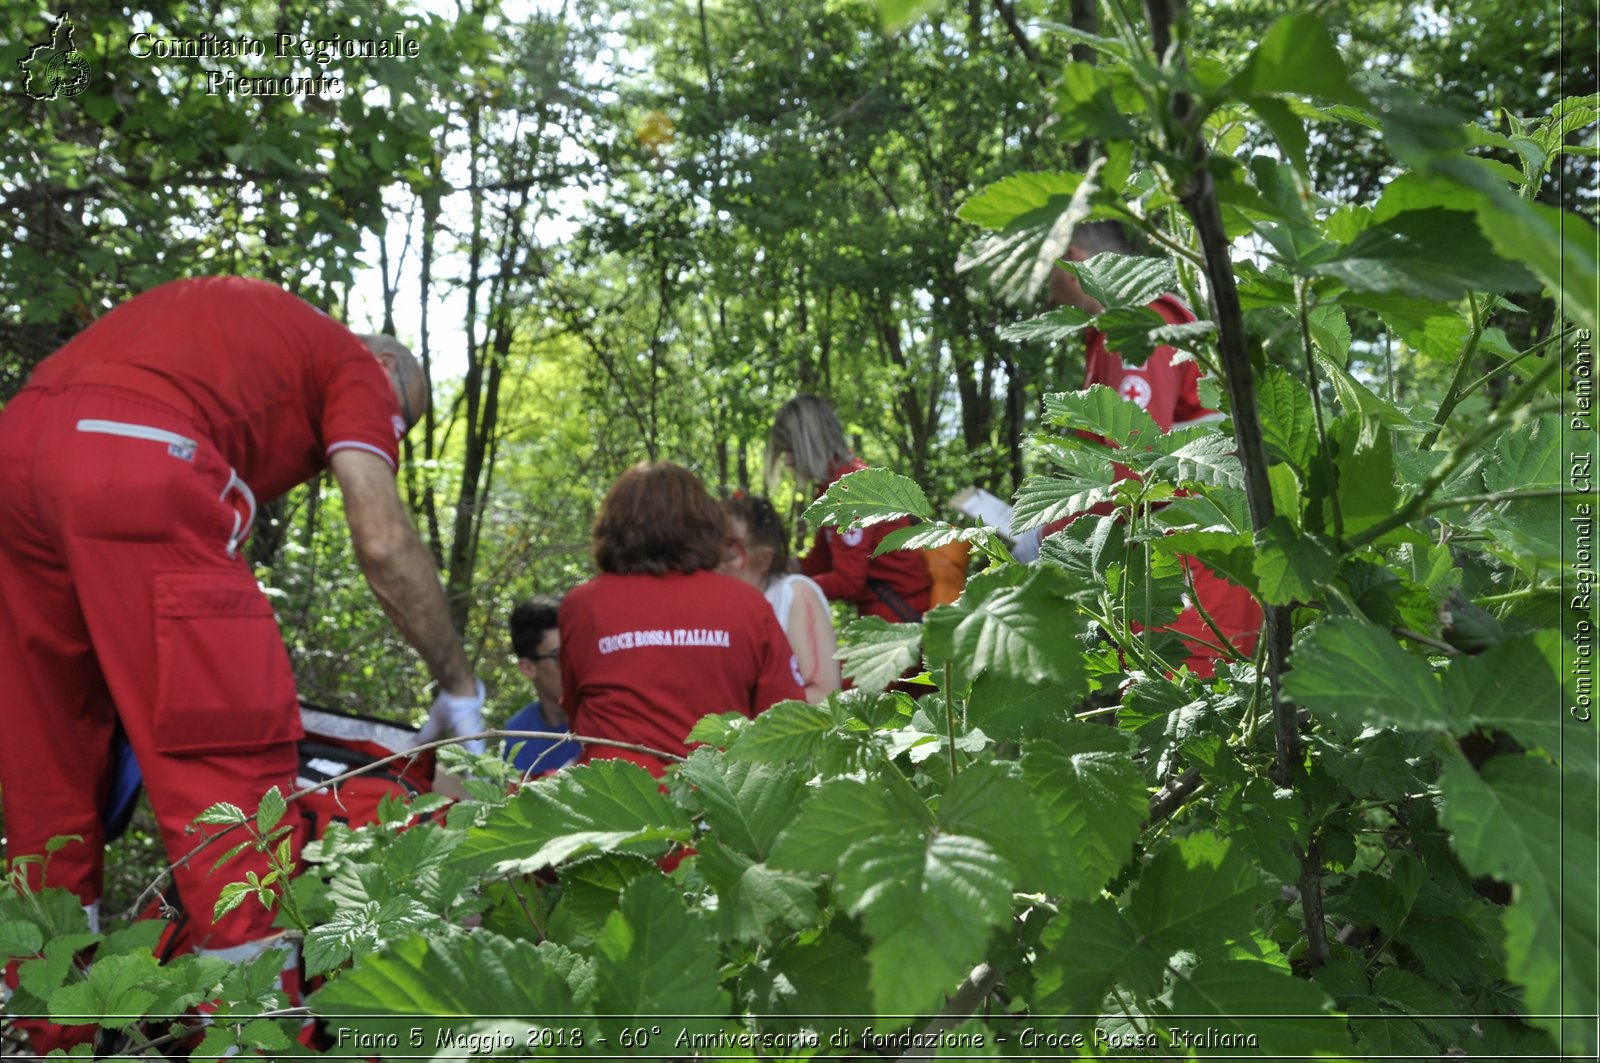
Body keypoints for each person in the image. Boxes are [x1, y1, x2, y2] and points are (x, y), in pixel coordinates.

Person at [0, 278, 485, 1001]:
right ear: (389, 373)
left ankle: (50, 1023)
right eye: (400, 425)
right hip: (140, 455)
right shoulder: (353, 364)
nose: (390, 435)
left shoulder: (239, 330)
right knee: (231, 773)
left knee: (51, 771)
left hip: (15, 450)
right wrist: (458, 683)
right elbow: (382, 540)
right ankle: (253, 1032)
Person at [1030, 221, 1262, 677]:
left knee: (1182, 725)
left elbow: (1135, 472)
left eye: (1048, 281)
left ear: (1073, 258)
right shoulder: (1152, 329)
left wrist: (1043, 533)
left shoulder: (1141, 331)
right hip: (1193, 581)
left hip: (1189, 592)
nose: (1052, 298)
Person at [560, 462, 804, 776]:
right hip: (718, 798)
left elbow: (573, 712)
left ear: (613, 524)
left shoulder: (582, 606)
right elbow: (784, 716)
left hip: (616, 801)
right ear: (704, 524)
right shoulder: (746, 603)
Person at [767, 395, 931, 623]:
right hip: (885, 616)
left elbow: (848, 583)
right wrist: (774, 567)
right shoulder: (832, 487)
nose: (787, 462)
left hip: (900, 622)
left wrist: (782, 590)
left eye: (790, 450)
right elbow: (819, 563)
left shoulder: (850, 489)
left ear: (808, 445)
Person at [720, 492, 841, 702]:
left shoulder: (794, 594)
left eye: (729, 557)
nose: (717, 567)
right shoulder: (718, 602)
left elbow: (824, 695)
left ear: (765, 559)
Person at [503, 595, 581, 774]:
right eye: (559, 656)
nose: (573, 664)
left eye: (577, 650)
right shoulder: (519, 734)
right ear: (528, 668)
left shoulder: (604, 718)